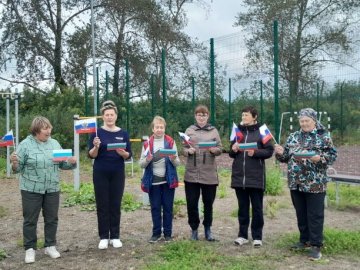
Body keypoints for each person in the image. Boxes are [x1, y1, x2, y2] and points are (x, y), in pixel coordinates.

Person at [10, 116, 77, 264]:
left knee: (52, 218)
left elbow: (62, 165)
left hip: (52, 188)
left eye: (49, 127)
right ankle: (30, 249)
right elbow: (17, 169)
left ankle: (50, 246)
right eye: (45, 128)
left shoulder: (54, 143)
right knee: (30, 220)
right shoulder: (25, 145)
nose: (49, 131)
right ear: (36, 130)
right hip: (31, 189)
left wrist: (71, 162)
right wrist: (14, 163)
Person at [274, 108, 337, 260]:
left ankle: (316, 245)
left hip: (315, 183)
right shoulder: (293, 136)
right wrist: (280, 152)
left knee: (315, 215)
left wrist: (320, 158)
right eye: (302, 121)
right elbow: (285, 158)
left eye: (307, 120)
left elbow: (332, 155)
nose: (304, 123)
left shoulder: (324, 136)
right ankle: (304, 240)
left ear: (314, 121)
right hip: (296, 182)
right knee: (300, 213)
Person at [88, 100, 132, 250]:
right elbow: (91, 155)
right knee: (102, 205)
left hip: (117, 173)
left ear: (116, 116)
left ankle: (115, 236)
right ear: (103, 117)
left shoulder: (123, 133)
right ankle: (103, 237)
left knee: (115, 204)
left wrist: (123, 153)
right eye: (106, 115)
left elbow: (129, 155)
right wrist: (95, 146)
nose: (109, 117)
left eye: (112, 115)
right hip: (100, 172)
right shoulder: (96, 133)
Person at [229, 106, 274, 248]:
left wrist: (255, 153)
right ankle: (242, 235)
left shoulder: (262, 131)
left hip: (256, 177)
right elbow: (231, 153)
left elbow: (269, 151)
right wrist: (234, 149)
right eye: (242, 115)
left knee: (257, 208)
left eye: (246, 115)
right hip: (239, 177)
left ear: (254, 117)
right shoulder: (238, 132)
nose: (243, 117)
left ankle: (257, 237)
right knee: (242, 208)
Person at [183, 105, 223, 241]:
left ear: (208, 116)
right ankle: (194, 230)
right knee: (192, 203)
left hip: (209, 174)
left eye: (204, 115)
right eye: (199, 115)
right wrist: (188, 151)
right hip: (192, 174)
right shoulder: (189, 130)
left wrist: (214, 150)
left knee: (208, 203)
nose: (201, 117)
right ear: (195, 116)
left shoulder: (213, 131)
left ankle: (208, 229)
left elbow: (220, 148)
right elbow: (183, 148)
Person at [139, 116, 180, 243]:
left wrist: (173, 159)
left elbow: (178, 163)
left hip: (168, 180)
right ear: (153, 129)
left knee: (168, 208)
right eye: (157, 127)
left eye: (161, 127)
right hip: (153, 181)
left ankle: (168, 234)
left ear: (164, 128)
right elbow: (141, 164)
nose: (159, 130)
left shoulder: (171, 142)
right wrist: (148, 159)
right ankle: (156, 233)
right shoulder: (147, 144)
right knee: (155, 208)